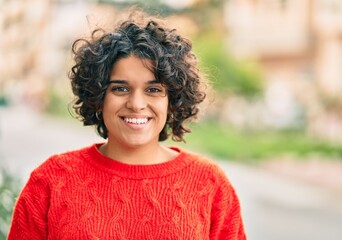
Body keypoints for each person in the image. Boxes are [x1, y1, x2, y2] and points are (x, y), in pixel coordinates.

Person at [8, 9, 247, 240]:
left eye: (153, 90)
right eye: (120, 88)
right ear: (99, 97)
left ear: (172, 101)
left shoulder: (209, 183)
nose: (136, 103)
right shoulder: (51, 180)